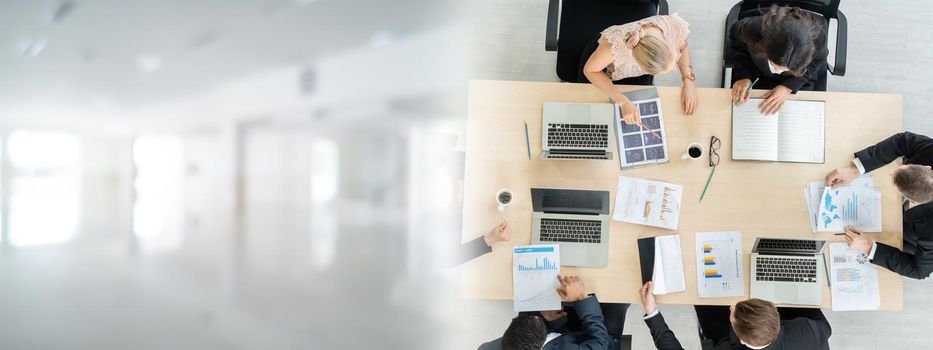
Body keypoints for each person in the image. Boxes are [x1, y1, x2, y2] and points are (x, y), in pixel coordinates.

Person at [825, 132, 933, 279]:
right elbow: (902, 141)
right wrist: (856, 169)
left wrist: (869, 248)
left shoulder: (929, 234)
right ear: (927, 167)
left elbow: (918, 270)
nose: (891, 174)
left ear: (914, 202)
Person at [639, 282, 831, 350]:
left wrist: (652, 312)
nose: (732, 306)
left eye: (733, 313)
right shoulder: (808, 332)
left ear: (739, 338)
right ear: (774, 312)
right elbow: (824, 327)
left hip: (720, 334)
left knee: (703, 298)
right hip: (790, 330)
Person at [582, 14, 698, 125]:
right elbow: (590, 70)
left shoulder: (670, 27)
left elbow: (682, 48)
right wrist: (623, 101)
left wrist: (688, 82)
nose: (675, 68)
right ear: (642, 66)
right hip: (601, 65)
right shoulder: (613, 48)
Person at [479, 275, 629, 350]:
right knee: (621, 293)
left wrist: (544, 319)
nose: (537, 316)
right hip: (599, 340)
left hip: (557, 330)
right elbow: (599, 343)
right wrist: (581, 299)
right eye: (537, 320)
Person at [729, 5, 828, 115]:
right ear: (764, 48)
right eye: (775, 66)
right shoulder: (753, 29)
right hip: (757, 74)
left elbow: (818, 61)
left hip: (797, 80)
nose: (779, 72)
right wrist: (743, 76)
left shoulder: (818, 39)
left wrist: (789, 87)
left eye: (783, 69)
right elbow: (736, 40)